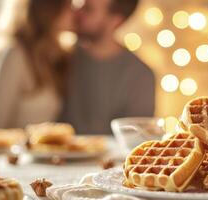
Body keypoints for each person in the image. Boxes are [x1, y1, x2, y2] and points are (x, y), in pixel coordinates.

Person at [60, 0, 155, 134]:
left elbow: (135, 141)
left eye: (88, 9)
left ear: (116, 20)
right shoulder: (59, 59)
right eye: (80, 4)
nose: (76, 12)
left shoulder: (141, 76)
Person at [0, 0, 73, 130]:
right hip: (12, 150)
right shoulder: (15, 55)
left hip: (41, 150)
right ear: (49, 10)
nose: (74, 10)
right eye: (67, 6)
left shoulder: (56, 56)